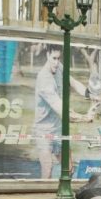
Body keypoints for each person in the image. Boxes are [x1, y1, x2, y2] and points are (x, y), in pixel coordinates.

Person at [32, 47, 63, 180]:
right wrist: (83, 117)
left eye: (58, 58)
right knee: (47, 169)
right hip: (43, 131)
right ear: (47, 56)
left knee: (69, 168)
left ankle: (60, 196)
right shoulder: (44, 78)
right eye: (54, 58)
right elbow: (60, 109)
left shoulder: (58, 67)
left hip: (58, 129)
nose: (56, 62)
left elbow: (73, 82)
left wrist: (88, 93)